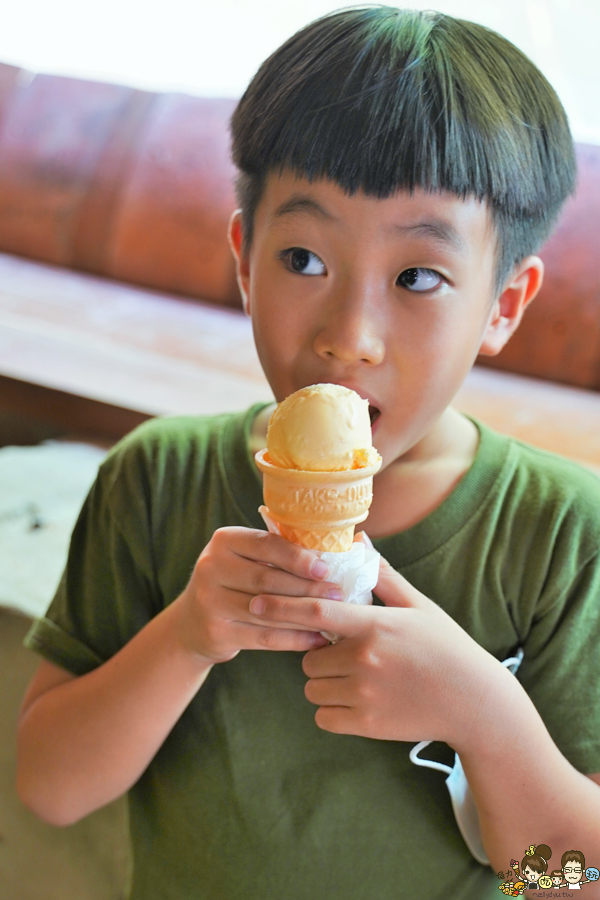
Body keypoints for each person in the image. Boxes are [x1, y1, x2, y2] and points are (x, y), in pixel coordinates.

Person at [15, 7, 600, 900]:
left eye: (418, 276)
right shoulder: (154, 477)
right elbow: (52, 791)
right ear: (245, 260)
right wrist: (186, 636)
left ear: (503, 305)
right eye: (303, 256)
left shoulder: (564, 535)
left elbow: (567, 882)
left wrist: (487, 720)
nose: (350, 335)